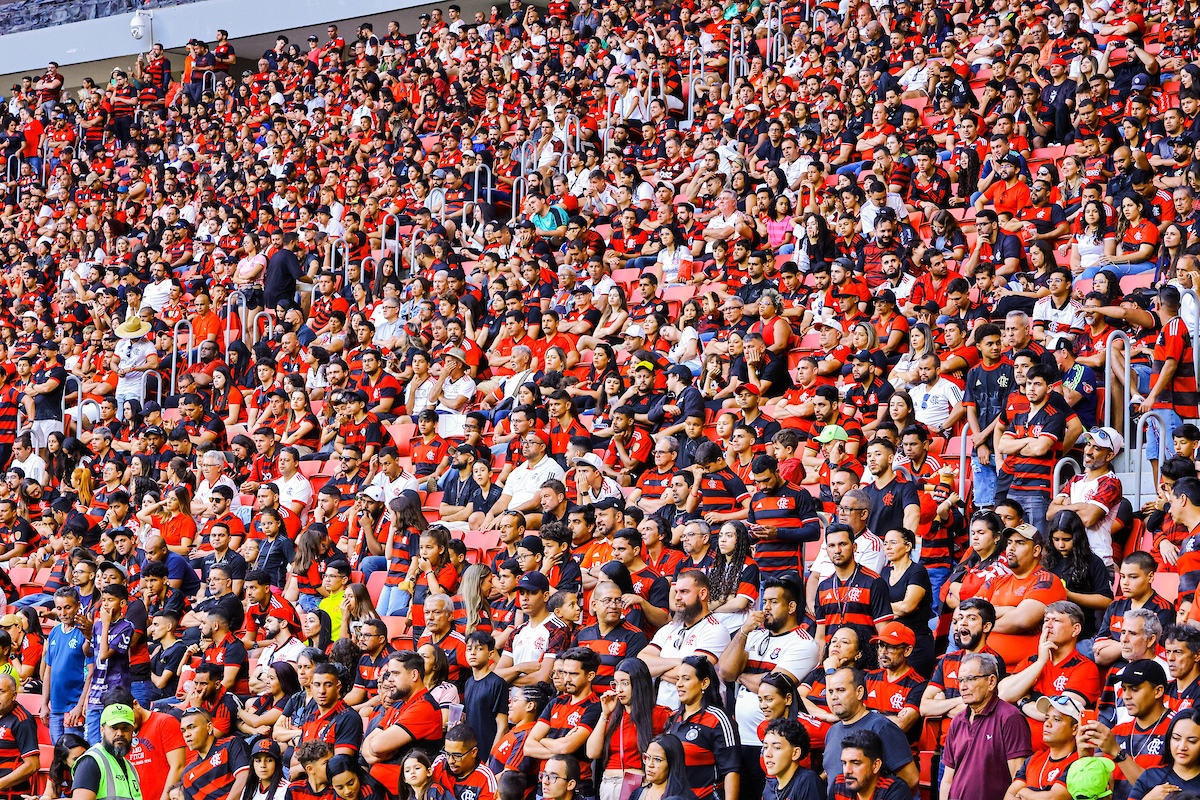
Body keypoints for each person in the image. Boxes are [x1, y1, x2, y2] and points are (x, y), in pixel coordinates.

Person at [940, 652, 1033, 800]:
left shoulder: (1009, 718)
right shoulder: (958, 721)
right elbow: (947, 780)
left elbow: (1018, 779)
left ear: (991, 682)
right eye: (960, 680)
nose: (963, 687)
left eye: (970, 679)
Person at [820, 668, 918, 793]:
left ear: (859, 692)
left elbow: (911, 779)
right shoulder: (831, 732)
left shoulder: (882, 727)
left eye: (841, 690)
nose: (834, 697)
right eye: (830, 691)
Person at [71, 702, 139, 800]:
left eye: (125, 728)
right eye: (114, 728)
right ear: (102, 729)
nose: (120, 733)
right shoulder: (91, 762)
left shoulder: (130, 767)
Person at [831, 729, 912, 800]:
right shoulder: (839, 783)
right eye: (844, 763)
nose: (847, 771)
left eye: (856, 763)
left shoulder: (894, 790)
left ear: (876, 765)